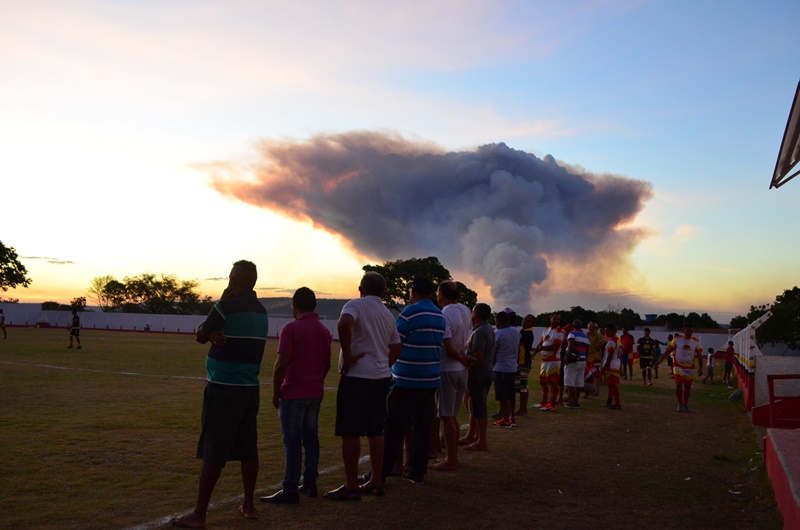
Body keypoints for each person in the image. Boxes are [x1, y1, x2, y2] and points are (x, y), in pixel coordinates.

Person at [172, 260, 269, 528]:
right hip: (250, 388)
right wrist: (215, 333)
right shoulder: (262, 311)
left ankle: (199, 514)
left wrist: (211, 332)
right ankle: (248, 505)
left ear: (233, 280)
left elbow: (200, 335)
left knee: (215, 448)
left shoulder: (226, 306)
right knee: (249, 448)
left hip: (224, 387)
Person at [325, 271, 401, 501]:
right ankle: (376, 481)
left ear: (361, 289)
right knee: (376, 430)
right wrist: (381, 364)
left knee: (351, 431)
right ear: (384, 292)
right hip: (380, 378)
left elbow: (344, 323)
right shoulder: (388, 314)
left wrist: (347, 356)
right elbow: (397, 347)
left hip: (357, 377)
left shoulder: (355, 305)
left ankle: (351, 486)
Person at [260, 287, 332, 504]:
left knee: (292, 442)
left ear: (295, 304)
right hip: (314, 391)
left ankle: (290, 488)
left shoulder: (291, 328)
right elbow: (326, 364)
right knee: (311, 439)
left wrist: (276, 392)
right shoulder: (323, 331)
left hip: (294, 392)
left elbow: (281, 363)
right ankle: (310, 483)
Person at [382, 276, 446, 485]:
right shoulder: (439, 314)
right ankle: (417, 471)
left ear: (414, 293)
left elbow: (395, 340)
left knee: (393, 426)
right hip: (430, 379)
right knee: (422, 426)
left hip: (408, 379)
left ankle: (383, 470)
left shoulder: (410, 312)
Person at [430, 281, 471, 472]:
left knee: (446, 417)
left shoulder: (445, 313)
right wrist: (463, 360)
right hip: (461, 370)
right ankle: (453, 457)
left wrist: (460, 358)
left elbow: (447, 345)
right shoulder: (465, 309)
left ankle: (451, 459)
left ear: (440, 294)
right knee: (452, 416)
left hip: (448, 368)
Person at [458, 303, 495, 451]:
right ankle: (471, 435)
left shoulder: (480, 332)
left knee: (479, 406)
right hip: (486, 371)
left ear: (477, 314)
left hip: (479, 374)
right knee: (474, 405)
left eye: (472, 312)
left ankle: (481, 441)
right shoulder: (488, 329)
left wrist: (470, 373)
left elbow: (478, 356)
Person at [655, 327, 703, 412]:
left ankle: (685, 404)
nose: (689, 332)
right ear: (683, 331)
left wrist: (701, 368)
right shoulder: (677, 339)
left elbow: (699, 355)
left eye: (691, 331)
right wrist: (660, 361)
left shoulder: (696, 341)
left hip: (690, 367)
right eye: (687, 330)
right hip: (678, 365)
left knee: (687, 387)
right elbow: (668, 351)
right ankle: (680, 404)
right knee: (679, 384)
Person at [492, 308, 521, 427]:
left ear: (498, 321)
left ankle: (505, 419)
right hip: (512, 366)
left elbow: (494, 351)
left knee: (502, 395)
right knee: (511, 394)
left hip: (501, 367)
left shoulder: (498, 333)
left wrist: (491, 364)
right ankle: (512, 418)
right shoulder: (516, 331)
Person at [533, 313, 563, 412]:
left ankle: (552, 404)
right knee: (543, 381)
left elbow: (555, 346)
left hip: (554, 361)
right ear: (550, 319)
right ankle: (544, 402)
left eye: (558, 319)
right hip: (544, 360)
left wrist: (543, 348)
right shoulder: (546, 330)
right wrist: (534, 354)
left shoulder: (559, 332)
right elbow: (541, 343)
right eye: (555, 319)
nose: (556, 321)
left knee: (553, 382)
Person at [563, 320, 589, 409]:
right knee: (579, 383)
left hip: (573, 360)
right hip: (583, 360)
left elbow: (570, 345)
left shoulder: (572, 334)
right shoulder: (586, 336)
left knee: (569, 382)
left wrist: (567, 358)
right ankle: (575, 401)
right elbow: (587, 350)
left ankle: (574, 402)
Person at [514, 314, 535, 415]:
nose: (524, 321)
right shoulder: (524, 332)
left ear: (532, 323)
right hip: (523, 362)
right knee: (522, 386)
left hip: (523, 363)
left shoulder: (526, 333)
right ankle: (523, 409)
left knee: (522, 386)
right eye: (524, 319)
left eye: (528, 320)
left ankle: (523, 409)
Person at [602, 324, 622, 410]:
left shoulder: (612, 341)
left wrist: (606, 365)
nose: (606, 332)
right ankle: (609, 402)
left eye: (607, 331)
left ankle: (617, 404)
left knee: (613, 385)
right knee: (610, 385)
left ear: (613, 331)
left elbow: (610, 354)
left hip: (611, 365)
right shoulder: (618, 340)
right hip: (616, 364)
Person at [586, 322, 606, 397]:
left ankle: (596, 391)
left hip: (595, 358)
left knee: (596, 376)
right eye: (590, 327)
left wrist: (599, 347)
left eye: (593, 327)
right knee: (588, 376)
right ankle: (589, 391)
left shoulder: (598, 335)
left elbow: (605, 342)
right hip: (588, 358)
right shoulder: (588, 335)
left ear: (596, 328)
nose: (591, 329)